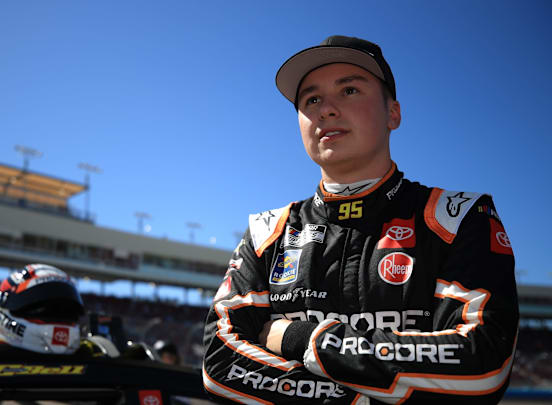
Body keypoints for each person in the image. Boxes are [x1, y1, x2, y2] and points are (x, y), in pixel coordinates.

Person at [202, 35, 518, 404]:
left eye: (349, 90)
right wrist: (360, 396)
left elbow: (482, 364)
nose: (326, 110)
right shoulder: (267, 230)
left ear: (393, 113)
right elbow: (221, 365)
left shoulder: (458, 215)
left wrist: (303, 340)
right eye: (312, 99)